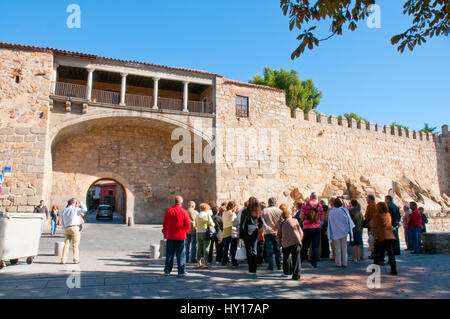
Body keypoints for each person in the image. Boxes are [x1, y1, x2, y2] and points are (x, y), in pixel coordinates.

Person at [161, 195, 190, 276]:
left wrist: (165, 232)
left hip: (170, 235)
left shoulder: (169, 211)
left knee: (169, 254)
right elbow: (187, 224)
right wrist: (185, 231)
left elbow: (165, 223)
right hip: (181, 236)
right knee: (181, 254)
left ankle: (167, 271)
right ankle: (181, 271)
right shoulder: (184, 212)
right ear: (181, 203)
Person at [277, 204, 304, 280]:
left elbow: (279, 235)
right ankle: (296, 274)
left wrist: (280, 243)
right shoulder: (295, 221)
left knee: (286, 257)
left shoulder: (282, 224)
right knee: (296, 258)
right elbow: (301, 232)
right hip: (296, 241)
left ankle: (287, 272)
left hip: (286, 243)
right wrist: (300, 240)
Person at [239, 197, 264, 275]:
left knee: (249, 251)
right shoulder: (258, 211)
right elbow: (261, 223)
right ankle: (254, 268)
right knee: (254, 249)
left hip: (247, 231)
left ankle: (251, 269)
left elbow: (242, 224)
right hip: (255, 230)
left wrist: (241, 235)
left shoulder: (246, 211)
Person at [327, 198, 355, 268]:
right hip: (344, 231)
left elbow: (330, 222)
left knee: (337, 248)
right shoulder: (344, 210)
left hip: (335, 231)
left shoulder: (332, 212)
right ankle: (344, 262)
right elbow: (347, 220)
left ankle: (338, 262)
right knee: (344, 247)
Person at [373, 202, 398, 275]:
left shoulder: (377, 215)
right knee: (390, 253)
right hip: (389, 235)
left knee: (376, 253)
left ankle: (375, 269)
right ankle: (394, 269)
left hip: (381, 235)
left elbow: (374, 225)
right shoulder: (388, 214)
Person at [299, 193, 323, 268]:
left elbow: (301, 216)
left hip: (307, 227)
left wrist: (304, 219)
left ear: (310, 197)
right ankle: (314, 263)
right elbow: (322, 218)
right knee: (315, 246)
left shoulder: (305, 204)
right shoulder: (320, 206)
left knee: (305, 245)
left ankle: (300, 261)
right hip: (317, 227)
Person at [59, 198, 86, 264]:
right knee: (75, 245)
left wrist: (63, 228)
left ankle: (63, 260)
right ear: (74, 203)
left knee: (66, 244)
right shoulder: (75, 209)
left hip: (67, 228)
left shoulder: (64, 211)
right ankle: (75, 259)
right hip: (75, 228)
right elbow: (85, 210)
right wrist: (81, 203)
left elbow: (62, 221)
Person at [261, 197, 283, 271]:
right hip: (277, 232)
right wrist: (277, 230)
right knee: (278, 249)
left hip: (268, 232)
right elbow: (281, 222)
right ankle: (279, 264)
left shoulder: (264, 211)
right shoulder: (279, 211)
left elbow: (263, 222)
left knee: (269, 249)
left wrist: (269, 229)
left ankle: (271, 265)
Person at [195, 203, 215, 268]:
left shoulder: (197, 215)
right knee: (206, 248)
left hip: (198, 232)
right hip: (205, 232)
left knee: (199, 248)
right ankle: (205, 262)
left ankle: (198, 262)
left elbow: (195, 225)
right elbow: (212, 224)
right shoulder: (207, 215)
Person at [222, 201, 238, 266]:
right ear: (233, 207)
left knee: (225, 247)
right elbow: (234, 222)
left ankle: (224, 261)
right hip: (232, 231)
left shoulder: (224, 213)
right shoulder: (232, 214)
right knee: (233, 247)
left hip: (225, 230)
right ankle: (234, 261)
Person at [364, 195, 377, 259]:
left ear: (371, 199)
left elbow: (368, 216)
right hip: (374, 225)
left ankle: (373, 253)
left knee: (372, 240)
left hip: (371, 225)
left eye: (367, 199)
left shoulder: (371, 206)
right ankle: (374, 253)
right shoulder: (375, 205)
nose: (366, 200)